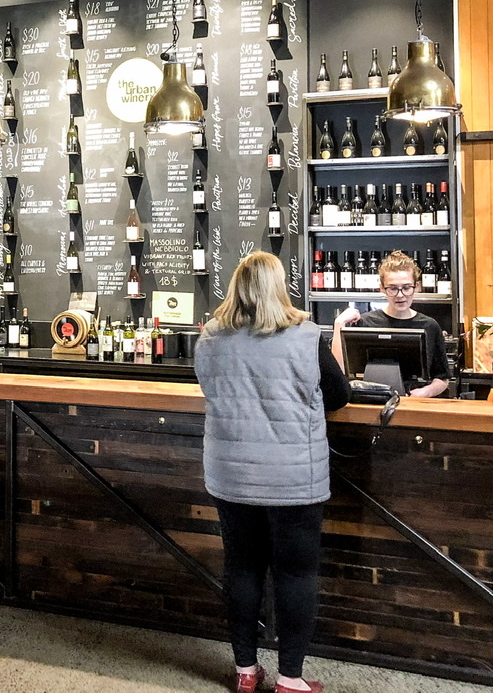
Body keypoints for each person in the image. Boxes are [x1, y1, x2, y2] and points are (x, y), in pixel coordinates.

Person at [194, 252, 350, 693]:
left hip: (231, 476)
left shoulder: (210, 337)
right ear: (279, 287)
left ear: (236, 286)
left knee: (241, 569)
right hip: (293, 478)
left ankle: (245, 671)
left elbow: (208, 387)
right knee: (295, 574)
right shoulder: (305, 336)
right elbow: (338, 397)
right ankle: (290, 679)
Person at [331, 250, 451, 398]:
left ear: (417, 286)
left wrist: (425, 392)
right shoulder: (364, 323)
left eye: (406, 288)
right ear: (382, 288)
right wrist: (339, 325)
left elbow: (443, 378)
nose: (400, 295)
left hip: (414, 404)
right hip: (371, 401)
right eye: (393, 288)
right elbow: (338, 372)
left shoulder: (430, 326)